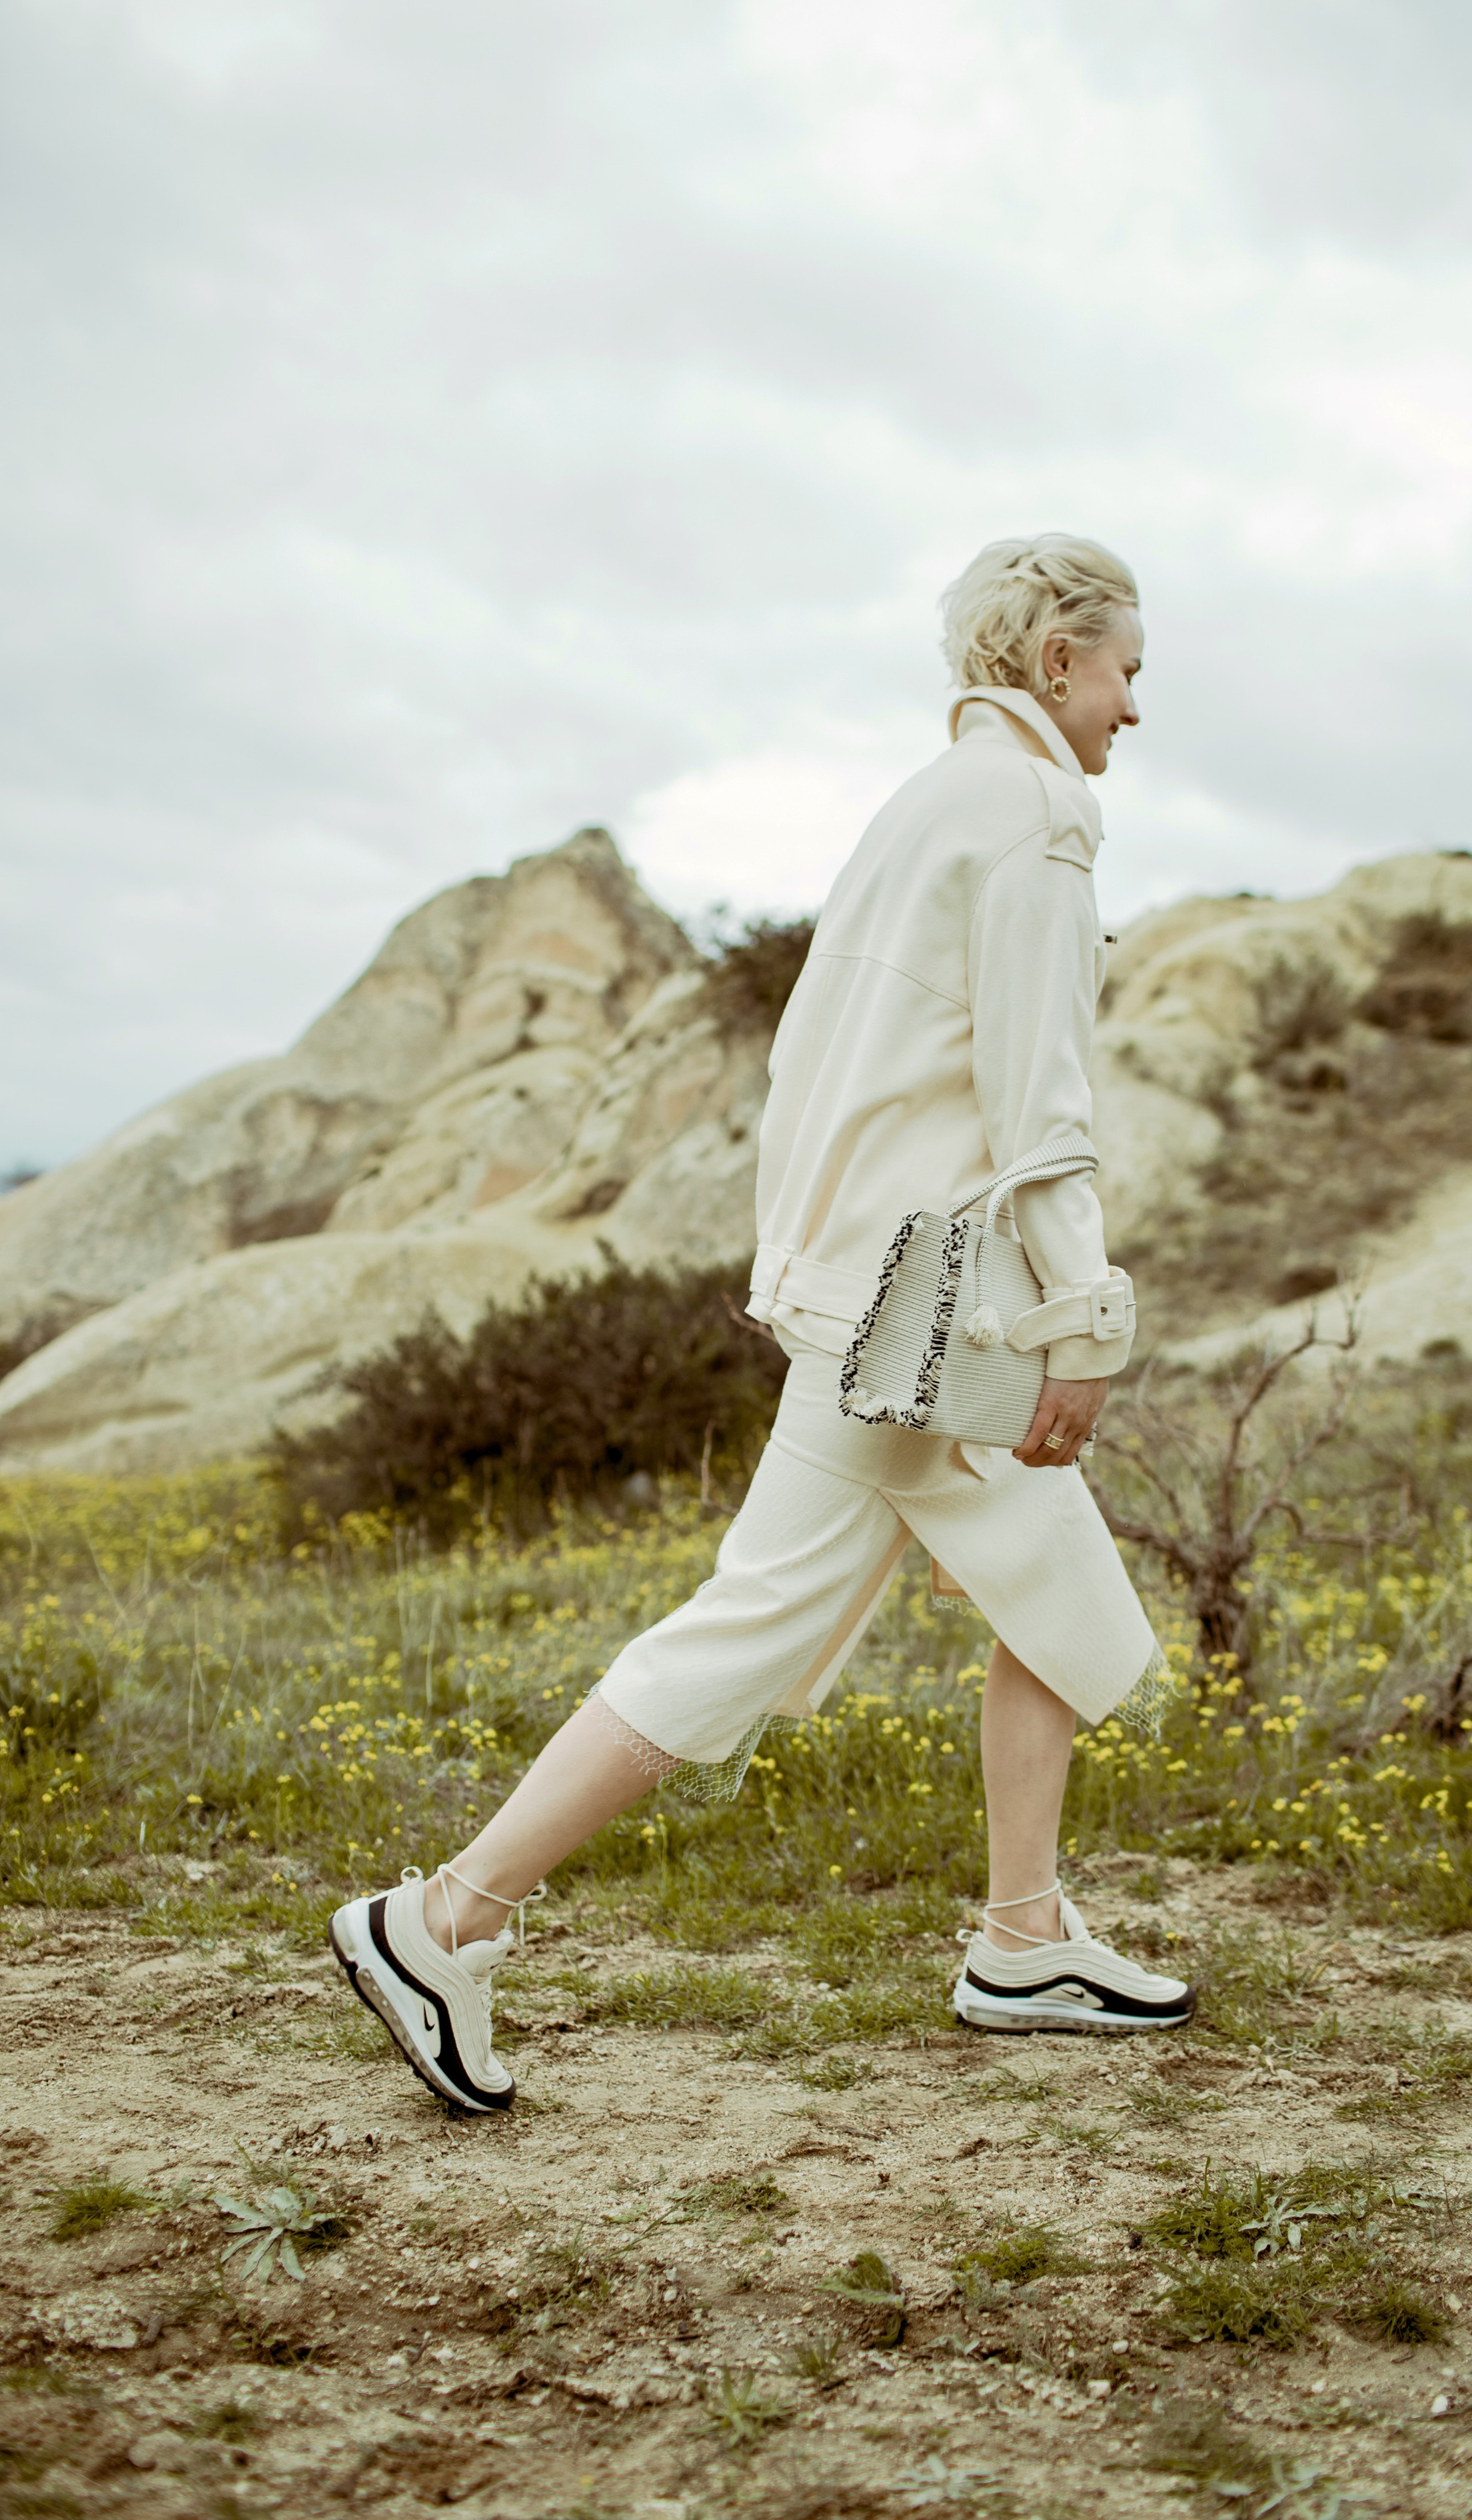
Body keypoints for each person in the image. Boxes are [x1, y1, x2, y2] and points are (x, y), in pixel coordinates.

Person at [329, 534, 1195, 2114]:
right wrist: (1083, 1319)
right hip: (934, 1329)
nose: (1134, 710)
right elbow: (1038, 1099)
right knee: (750, 1629)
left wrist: (805, 1272)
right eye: (1127, 670)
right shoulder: (1036, 815)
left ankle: (1022, 1937)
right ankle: (441, 1920)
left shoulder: (919, 806)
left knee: (1059, 1600)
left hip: (883, 1305)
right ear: (1057, 662)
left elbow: (813, 1064)